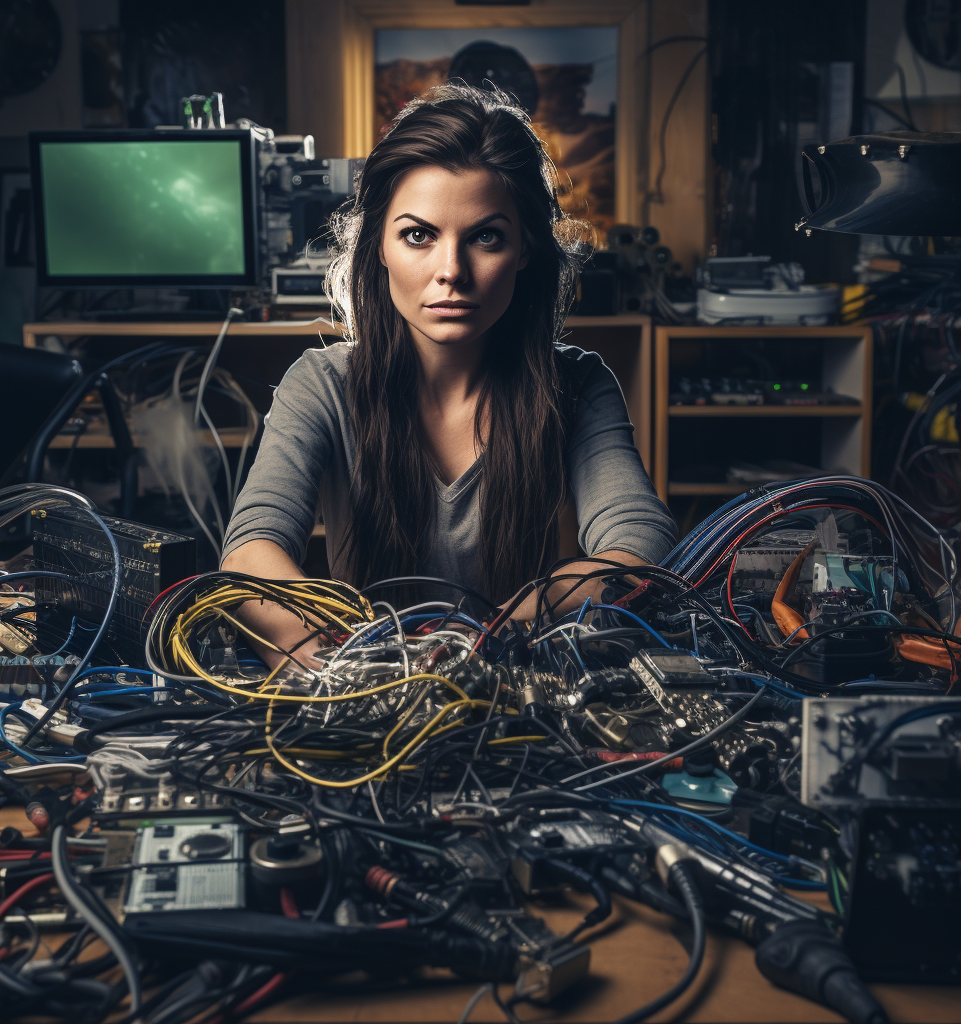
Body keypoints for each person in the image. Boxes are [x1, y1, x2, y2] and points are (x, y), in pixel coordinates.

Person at [222, 83, 676, 666]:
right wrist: (323, 651)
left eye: (486, 237)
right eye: (418, 235)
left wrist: (502, 628)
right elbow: (251, 547)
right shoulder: (321, 384)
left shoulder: (578, 384)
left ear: (525, 251)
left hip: (514, 694)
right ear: (379, 247)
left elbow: (641, 541)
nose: (451, 272)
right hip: (368, 689)